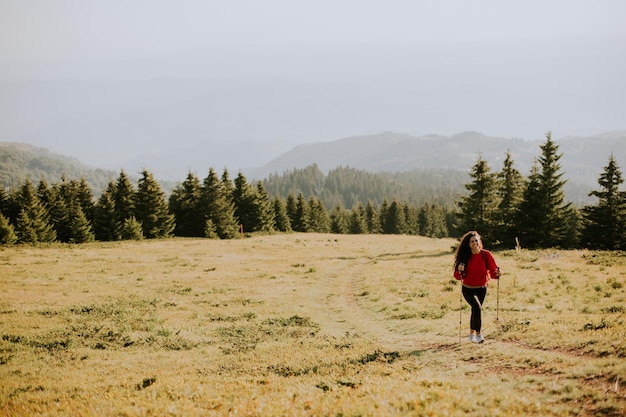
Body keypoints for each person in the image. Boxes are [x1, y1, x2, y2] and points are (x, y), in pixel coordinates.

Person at [453, 231, 500, 343]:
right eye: (472, 242)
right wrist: (459, 270)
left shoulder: (486, 255)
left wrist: (497, 273)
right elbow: (457, 276)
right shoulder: (464, 257)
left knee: (475, 310)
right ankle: (479, 335)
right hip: (468, 289)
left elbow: (493, 271)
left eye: (476, 241)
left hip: (482, 288)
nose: (474, 243)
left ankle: (471, 334)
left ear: (479, 242)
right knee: (477, 307)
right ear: (468, 244)